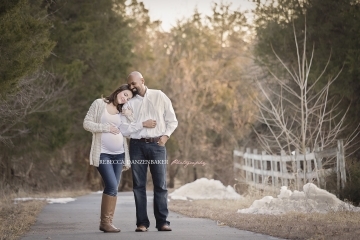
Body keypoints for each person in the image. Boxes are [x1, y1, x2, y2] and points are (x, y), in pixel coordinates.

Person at [83, 84, 155, 233]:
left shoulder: (122, 112)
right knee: (110, 184)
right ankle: (105, 223)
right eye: (124, 94)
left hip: (119, 154)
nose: (124, 98)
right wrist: (106, 127)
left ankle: (107, 222)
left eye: (128, 97)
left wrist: (129, 115)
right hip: (102, 153)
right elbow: (87, 124)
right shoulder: (99, 103)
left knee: (114, 187)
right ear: (118, 91)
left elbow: (129, 132)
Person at [119, 71, 178, 232]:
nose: (131, 87)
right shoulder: (129, 103)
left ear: (142, 81)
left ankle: (162, 222)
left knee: (160, 185)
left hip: (157, 146)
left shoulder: (159, 96)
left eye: (134, 84)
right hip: (137, 146)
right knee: (139, 186)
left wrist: (165, 136)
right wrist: (142, 124)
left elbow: (172, 120)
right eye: (129, 84)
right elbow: (124, 129)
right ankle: (142, 223)